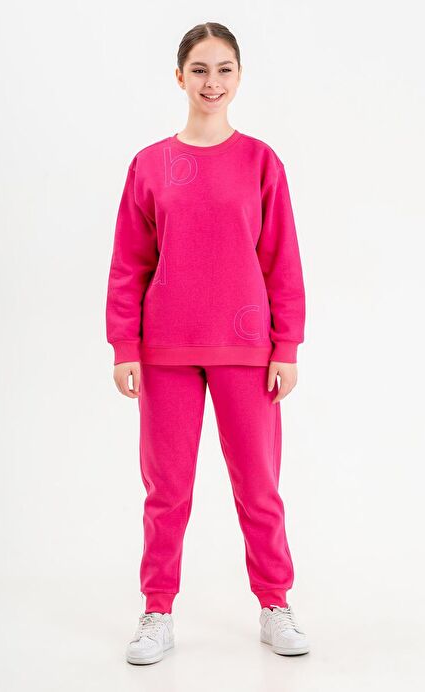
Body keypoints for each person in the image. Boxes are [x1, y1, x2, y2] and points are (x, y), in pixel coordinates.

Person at [105, 21, 310, 665]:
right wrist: (124, 345)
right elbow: (129, 262)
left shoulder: (261, 162)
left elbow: (282, 260)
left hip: (248, 351)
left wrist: (286, 346)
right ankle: (157, 610)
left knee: (259, 485)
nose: (211, 82)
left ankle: (274, 603)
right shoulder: (149, 165)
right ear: (179, 77)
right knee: (166, 490)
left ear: (239, 77)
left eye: (224, 69)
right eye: (199, 69)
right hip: (165, 349)